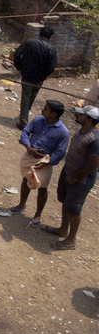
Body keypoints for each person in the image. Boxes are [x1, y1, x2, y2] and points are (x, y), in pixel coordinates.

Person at [42, 105, 99, 250]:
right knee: (66, 202)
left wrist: (75, 177)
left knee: (74, 208)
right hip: (69, 173)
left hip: (81, 179)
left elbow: (94, 164)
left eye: (81, 114)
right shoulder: (82, 130)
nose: (77, 115)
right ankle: (63, 229)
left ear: (89, 119)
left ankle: (71, 239)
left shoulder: (94, 139)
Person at [8, 100, 70, 227]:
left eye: (46, 109)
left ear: (53, 114)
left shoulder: (63, 132)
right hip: (29, 156)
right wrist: (29, 148)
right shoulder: (38, 120)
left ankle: (38, 214)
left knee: (42, 188)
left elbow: (60, 152)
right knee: (26, 180)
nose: (43, 110)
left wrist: (46, 162)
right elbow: (25, 133)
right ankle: (22, 204)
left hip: (45, 162)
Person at [11, 26, 58, 130]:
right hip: (39, 78)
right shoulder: (51, 49)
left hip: (27, 75)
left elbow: (17, 54)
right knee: (32, 96)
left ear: (40, 33)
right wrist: (44, 75)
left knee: (26, 97)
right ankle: (24, 117)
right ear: (50, 37)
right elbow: (52, 67)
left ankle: (23, 122)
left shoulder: (29, 42)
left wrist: (19, 67)